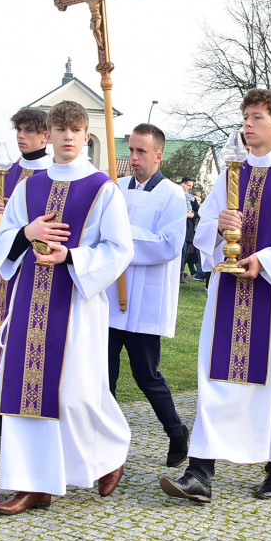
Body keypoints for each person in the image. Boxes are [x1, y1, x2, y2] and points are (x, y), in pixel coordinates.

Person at [160, 88, 271, 503]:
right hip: (229, 295)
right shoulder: (231, 174)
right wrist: (219, 225)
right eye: (245, 117)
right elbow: (203, 230)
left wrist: (265, 261)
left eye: (257, 118)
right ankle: (200, 472)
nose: (247, 125)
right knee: (216, 378)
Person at [0, 100, 133, 516]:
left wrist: (71, 257)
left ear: (86, 136)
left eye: (75, 130)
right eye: (60, 129)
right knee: (26, 390)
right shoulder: (28, 187)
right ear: (48, 135)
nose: (68, 137)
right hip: (28, 298)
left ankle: (109, 453)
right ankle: (33, 484)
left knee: (75, 394)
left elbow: (119, 249)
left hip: (76, 303)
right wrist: (27, 231)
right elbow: (3, 240)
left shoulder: (103, 188)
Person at [106, 123, 190, 467]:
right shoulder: (115, 188)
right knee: (104, 377)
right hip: (111, 299)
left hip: (145, 301)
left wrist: (122, 237)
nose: (134, 157)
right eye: (131, 150)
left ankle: (176, 431)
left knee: (146, 375)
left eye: (142, 151)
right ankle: (106, 444)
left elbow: (168, 245)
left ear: (158, 155)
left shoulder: (172, 195)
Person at [0, 108, 53, 457]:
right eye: (19, 129)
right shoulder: (6, 173)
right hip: (5, 272)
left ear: (46, 135)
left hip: (40, 272)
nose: (22, 136)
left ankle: (31, 425)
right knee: (0, 346)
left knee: (32, 346)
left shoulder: (55, 173)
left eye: (30, 130)